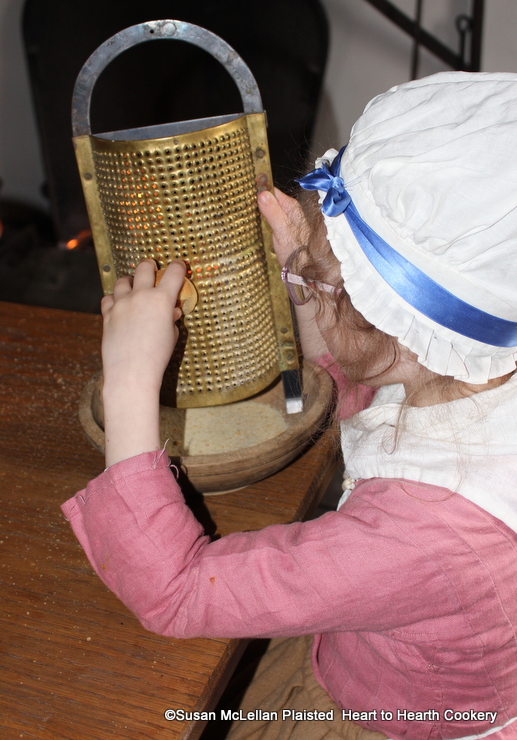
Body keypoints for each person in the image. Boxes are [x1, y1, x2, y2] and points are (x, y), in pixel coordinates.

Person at [61, 71, 517, 740]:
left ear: (390, 326)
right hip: (405, 645)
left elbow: (179, 591)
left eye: (324, 282)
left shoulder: (421, 534)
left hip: (399, 716)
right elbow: (367, 381)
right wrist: (309, 277)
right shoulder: (474, 361)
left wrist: (129, 381)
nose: (305, 280)